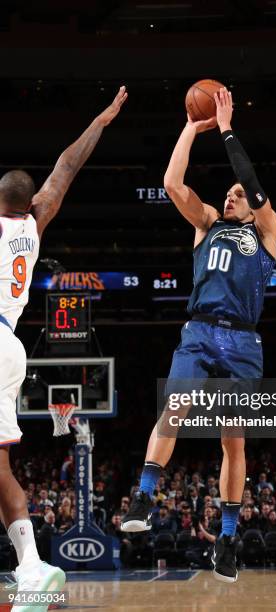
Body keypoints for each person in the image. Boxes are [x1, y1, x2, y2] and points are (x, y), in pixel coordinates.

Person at [121, 87, 276, 584]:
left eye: (237, 195)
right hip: (200, 330)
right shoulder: (208, 223)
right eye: (228, 193)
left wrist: (229, 128)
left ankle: (227, 541)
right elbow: (172, 182)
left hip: (243, 341)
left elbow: (252, 182)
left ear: (252, 207)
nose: (231, 195)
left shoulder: (268, 230)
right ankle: (144, 496)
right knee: (174, 409)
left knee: (234, 440)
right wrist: (194, 127)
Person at [0, 86, 127, 610]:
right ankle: (31, 566)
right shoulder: (35, 222)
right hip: (9, 346)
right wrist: (101, 119)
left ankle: (30, 566)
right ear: (28, 204)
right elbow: (67, 165)